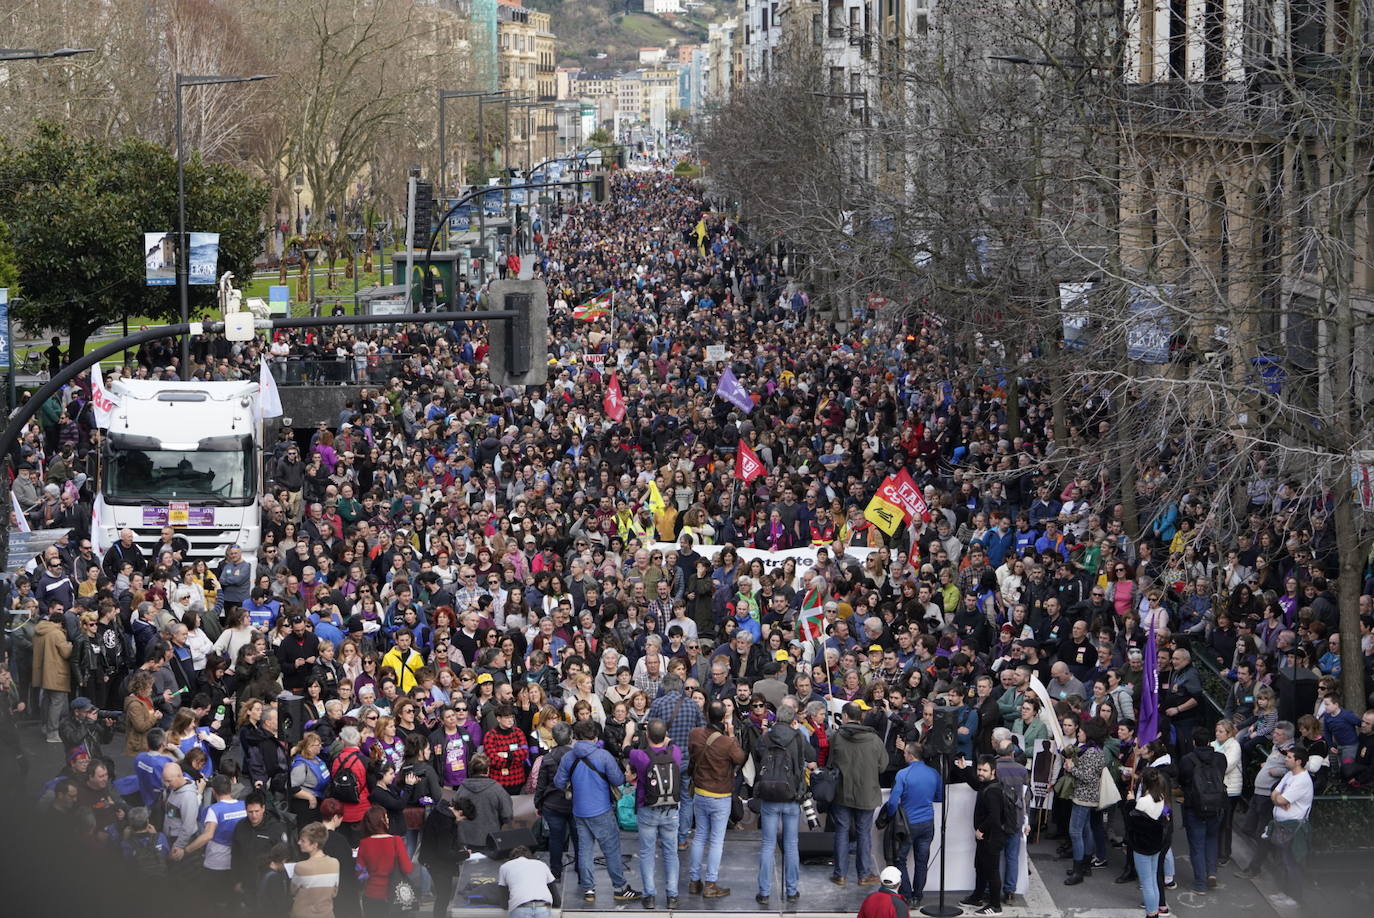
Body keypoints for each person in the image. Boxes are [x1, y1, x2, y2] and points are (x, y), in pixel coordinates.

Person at [553, 719, 641, 904]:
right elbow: (617, 780)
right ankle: (620, 887)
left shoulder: (569, 757)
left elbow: (558, 782)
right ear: (595, 737)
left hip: (579, 811)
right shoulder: (603, 756)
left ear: (575, 736)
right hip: (601, 810)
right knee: (611, 850)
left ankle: (589, 890)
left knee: (584, 851)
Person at [751, 703, 814, 906]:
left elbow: (758, 755)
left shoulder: (767, 736)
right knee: (791, 845)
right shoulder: (797, 737)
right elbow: (812, 756)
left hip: (770, 796)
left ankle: (764, 892)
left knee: (768, 845)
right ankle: (792, 890)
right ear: (792, 718)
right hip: (792, 796)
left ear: (776, 718)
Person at [685, 699, 745, 899]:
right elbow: (740, 758)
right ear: (723, 719)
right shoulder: (727, 743)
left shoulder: (695, 734)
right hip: (720, 796)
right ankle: (710, 884)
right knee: (716, 841)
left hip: (700, 793)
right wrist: (731, 735)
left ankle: (694, 881)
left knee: (700, 836)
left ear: (707, 716)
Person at [829, 700, 886, 887]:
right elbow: (883, 765)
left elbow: (831, 763)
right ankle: (863, 875)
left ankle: (840, 875)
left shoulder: (836, 737)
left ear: (845, 717)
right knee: (863, 834)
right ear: (861, 717)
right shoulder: (874, 739)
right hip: (866, 794)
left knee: (842, 832)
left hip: (842, 792)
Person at [628, 718, 683, 910]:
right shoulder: (675, 753)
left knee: (647, 852)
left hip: (647, 809)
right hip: (671, 810)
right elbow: (671, 742)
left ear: (647, 735)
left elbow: (626, 749)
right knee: (671, 852)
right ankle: (672, 896)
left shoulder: (639, 756)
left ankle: (649, 895)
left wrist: (629, 734)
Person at [886, 740, 941, 906]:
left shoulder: (903, 774)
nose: (903, 755)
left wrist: (890, 817)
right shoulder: (934, 773)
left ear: (910, 755)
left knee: (899, 858)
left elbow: (893, 802)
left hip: (908, 824)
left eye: (904, 753)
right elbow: (939, 797)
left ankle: (907, 895)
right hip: (927, 822)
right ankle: (918, 895)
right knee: (922, 860)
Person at [953, 754, 1010, 915]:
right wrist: (965, 770)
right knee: (980, 867)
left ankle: (995, 905)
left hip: (991, 838)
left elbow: (994, 816)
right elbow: (975, 783)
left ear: (993, 771)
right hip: (986, 838)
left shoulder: (992, 791)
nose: (980, 773)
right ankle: (977, 896)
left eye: (985, 770)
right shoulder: (986, 785)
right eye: (979, 769)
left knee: (991, 871)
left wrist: (981, 830)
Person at [1177, 725, 1226, 892]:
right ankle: (1211, 872)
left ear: (1194, 742)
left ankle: (1200, 884)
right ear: (1209, 740)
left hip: (1194, 807)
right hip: (1216, 805)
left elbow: (1182, 781)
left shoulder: (1187, 760)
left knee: (1197, 845)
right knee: (1212, 840)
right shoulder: (1220, 758)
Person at [1063, 718, 1107, 885]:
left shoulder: (1091, 753)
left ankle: (1078, 870)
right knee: (1086, 830)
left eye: (1081, 731)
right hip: (1089, 796)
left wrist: (1071, 768)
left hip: (1084, 797)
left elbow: (1087, 777)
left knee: (1075, 832)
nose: (1079, 732)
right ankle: (1085, 865)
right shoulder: (1095, 750)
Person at [532, 721, 576, 879]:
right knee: (578, 838)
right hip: (574, 804)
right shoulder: (576, 756)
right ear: (570, 737)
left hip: (553, 804)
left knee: (555, 839)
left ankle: (555, 871)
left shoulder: (548, 758)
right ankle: (580, 868)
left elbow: (541, 784)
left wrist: (538, 804)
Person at [1126, 769, 1170, 918]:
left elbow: (1132, 820)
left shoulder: (1144, 801)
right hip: (1155, 844)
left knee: (1146, 883)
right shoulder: (1161, 797)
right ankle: (1154, 910)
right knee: (1152, 879)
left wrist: (1131, 802)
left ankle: (1151, 913)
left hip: (1142, 846)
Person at [356, 804, 415, 918]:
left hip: (371, 894)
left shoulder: (364, 843)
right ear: (381, 821)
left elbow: (360, 873)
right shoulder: (396, 841)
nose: (388, 819)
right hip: (394, 895)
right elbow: (407, 869)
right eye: (386, 817)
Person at [291, 821, 341, 918]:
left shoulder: (301, 867)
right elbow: (334, 892)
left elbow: (293, 891)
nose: (299, 842)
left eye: (303, 840)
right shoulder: (335, 863)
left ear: (315, 845)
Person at [497, 845, 558, 918]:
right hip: (543, 906)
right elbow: (554, 891)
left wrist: (506, 907)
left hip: (520, 906)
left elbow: (503, 895)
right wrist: (557, 905)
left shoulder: (505, 867)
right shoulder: (541, 864)